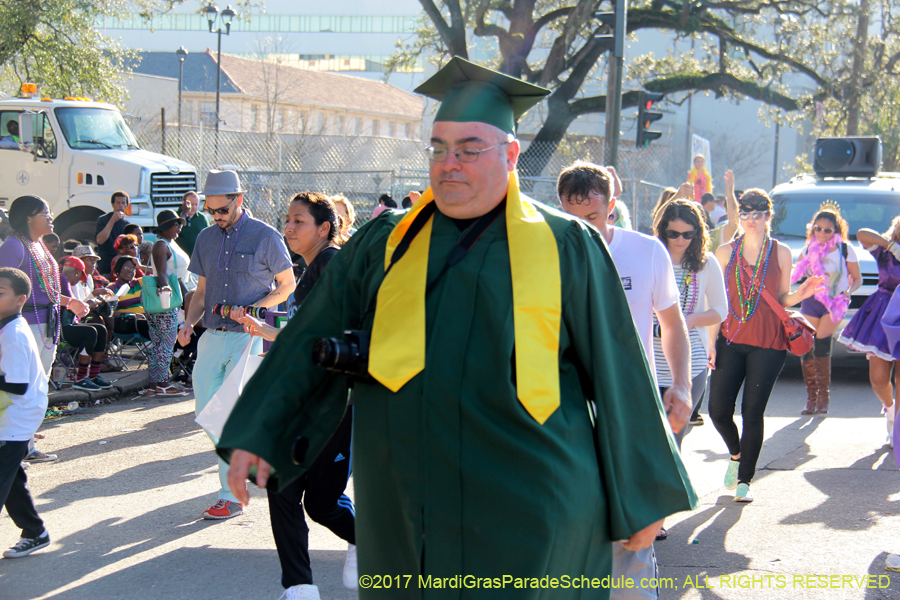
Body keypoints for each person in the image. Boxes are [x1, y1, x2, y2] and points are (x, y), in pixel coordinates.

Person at [219, 57, 696, 600]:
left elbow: (620, 374)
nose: (450, 164)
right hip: (406, 502)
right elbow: (313, 334)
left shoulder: (568, 246)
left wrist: (643, 495)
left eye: (469, 150)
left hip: (530, 504)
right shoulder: (384, 244)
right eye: (439, 149)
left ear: (511, 154)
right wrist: (264, 430)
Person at [558, 161, 692, 599]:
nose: (583, 229)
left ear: (612, 207)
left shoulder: (646, 251)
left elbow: (671, 324)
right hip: (569, 411)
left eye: (593, 218)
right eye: (572, 218)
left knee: (635, 530)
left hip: (632, 408)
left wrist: (682, 384)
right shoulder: (547, 253)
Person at [230, 192, 357, 599]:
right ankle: (300, 587)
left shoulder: (334, 263)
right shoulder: (310, 271)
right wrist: (269, 334)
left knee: (322, 505)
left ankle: (367, 539)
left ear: (324, 228)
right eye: (287, 219)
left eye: (298, 221)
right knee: (280, 485)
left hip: (333, 406)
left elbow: (340, 335)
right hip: (305, 403)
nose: (288, 227)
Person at [176, 169, 295, 521]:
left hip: (251, 336)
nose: (215, 216)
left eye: (221, 210)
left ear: (238, 201)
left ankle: (231, 494)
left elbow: (287, 285)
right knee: (208, 413)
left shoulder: (265, 236)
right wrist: (187, 323)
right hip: (212, 334)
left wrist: (258, 311)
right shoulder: (206, 238)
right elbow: (200, 291)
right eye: (210, 210)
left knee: (228, 412)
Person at [710, 190, 824, 502]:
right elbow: (717, 302)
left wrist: (800, 295)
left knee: (752, 411)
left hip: (769, 343)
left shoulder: (782, 252)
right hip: (730, 340)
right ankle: (736, 454)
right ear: (739, 216)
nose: (751, 220)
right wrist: (710, 342)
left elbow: (783, 297)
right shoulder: (723, 252)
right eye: (745, 214)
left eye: (758, 214)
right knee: (718, 410)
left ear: (768, 217)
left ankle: (746, 479)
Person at [652, 199, 727, 445]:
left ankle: (673, 484)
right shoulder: (651, 258)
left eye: (687, 234)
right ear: (663, 230)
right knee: (652, 440)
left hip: (691, 364)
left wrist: (690, 320)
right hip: (650, 363)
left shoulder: (706, 263)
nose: (680, 240)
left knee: (674, 441)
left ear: (697, 233)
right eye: (673, 233)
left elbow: (720, 310)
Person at [0, 267, 52, 558]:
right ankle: (34, 532)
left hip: (16, 418)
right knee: (12, 481)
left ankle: (35, 532)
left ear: (20, 300)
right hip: (8, 417)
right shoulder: (5, 327)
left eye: (0, 293)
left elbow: (17, 385)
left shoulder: (14, 334)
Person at [792, 204, 861, 415]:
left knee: (821, 342)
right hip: (812, 301)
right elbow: (797, 272)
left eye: (827, 230)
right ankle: (811, 397)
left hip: (835, 302)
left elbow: (857, 278)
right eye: (817, 228)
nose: (822, 233)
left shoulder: (846, 250)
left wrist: (849, 291)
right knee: (807, 345)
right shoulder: (807, 249)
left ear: (836, 231)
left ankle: (823, 397)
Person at [838, 219, 900, 445]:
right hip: (884, 312)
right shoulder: (886, 252)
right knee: (878, 378)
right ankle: (891, 409)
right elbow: (863, 233)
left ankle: (897, 431)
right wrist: (892, 246)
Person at [145, 210, 188, 396]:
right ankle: (162, 384)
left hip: (167, 298)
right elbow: (162, 272)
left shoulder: (168, 242)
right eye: (175, 224)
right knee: (166, 342)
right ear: (166, 227)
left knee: (158, 343)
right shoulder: (161, 245)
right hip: (166, 299)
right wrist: (166, 290)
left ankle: (154, 384)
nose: (179, 228)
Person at [59, 257, 112, 391]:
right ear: (76, 272)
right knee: (90, 332)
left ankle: (94, 375)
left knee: (100, 329)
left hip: (69, 324)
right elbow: (74, 309)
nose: (78, 281)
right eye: (79, 276)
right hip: (61, 328)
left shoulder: (64, 280)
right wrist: (89, 303)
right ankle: (81, 377)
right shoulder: (64, 280)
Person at [95, 191, 132, 275]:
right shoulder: (103, 219)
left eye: (123, 203)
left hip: (121, 267)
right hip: (106, 265)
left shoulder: (127, 224)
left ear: (127, 205)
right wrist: (113, 220)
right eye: (118, 203)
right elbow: (100, 240)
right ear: (112, 204)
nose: (120, 205)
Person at [176, 191, 210, 259]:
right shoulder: (175, 217)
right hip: (178, 260)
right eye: (191, 204)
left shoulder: (202, 218)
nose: (194, 207)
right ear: (183, 202)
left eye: (196, 204)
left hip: (197, 260)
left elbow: (209, 238)